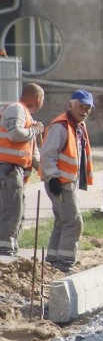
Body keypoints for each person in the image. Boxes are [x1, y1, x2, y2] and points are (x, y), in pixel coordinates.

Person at [40, 90, 95, 272]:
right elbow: (47, 155)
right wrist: (53, 177)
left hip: (67, 181)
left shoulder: (77, 126)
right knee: (73, 223)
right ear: (71, 104)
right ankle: (64, 264)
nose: (84, 111)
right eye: (81, 106)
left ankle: (53, 262)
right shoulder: (61, 126)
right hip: (60, 182)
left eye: (88, 108)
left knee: (62, 222)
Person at [0, 84, 45, 256]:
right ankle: (4, 253)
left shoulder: (27, 117)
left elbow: (31, 152)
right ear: (37, 98)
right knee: (11, 212)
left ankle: (10, 250)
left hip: (13, 172)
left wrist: (45, 171)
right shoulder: (16, 110)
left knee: (17, 212)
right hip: (7, 170)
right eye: (43, 99)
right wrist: (34, 130)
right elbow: (15, 134)